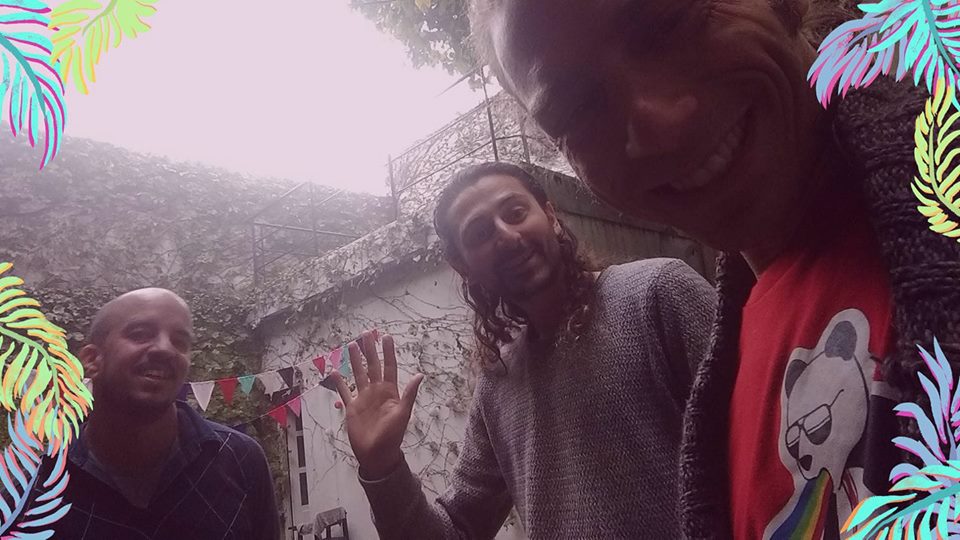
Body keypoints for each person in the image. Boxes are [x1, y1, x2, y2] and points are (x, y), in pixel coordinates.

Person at [468, 1, 960, 538]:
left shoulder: (655, 294)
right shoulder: (733, 366)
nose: (662, 126)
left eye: (669, 23)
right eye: (576, 110)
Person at [331, 161, 717, 538]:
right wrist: (383, 469)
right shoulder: (498, 383)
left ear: (550, 215)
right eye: (480, 233)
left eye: (515, 213)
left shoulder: (657, 294)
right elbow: (458, 529)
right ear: (462, 265)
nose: (505, 235)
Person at [33, 288, 280, 539]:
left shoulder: (240, 460)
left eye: (179, 342)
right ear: (92, 359)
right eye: (140, 334)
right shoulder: (36, 491)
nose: (165, 349)